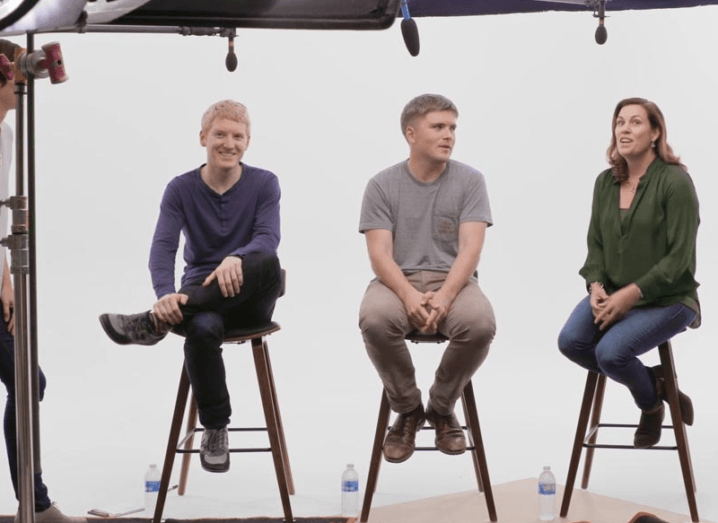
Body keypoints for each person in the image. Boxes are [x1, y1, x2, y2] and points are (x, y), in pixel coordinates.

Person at [99, 100, 282, 473]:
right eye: (220, 134)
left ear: (248, 142)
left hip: (251, 294)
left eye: (237, 136)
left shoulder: (265, 182)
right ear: (203, 137)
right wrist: (165, 294)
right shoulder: (180, 189)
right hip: (202, 296)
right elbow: (162, 248)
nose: (228, 143)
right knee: (201, 329)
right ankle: (215, 429)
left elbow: (267, 238)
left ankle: (152, 324)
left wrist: (238, 258)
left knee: (267, 262)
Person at [358, 94, 496, 463]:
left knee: (480, 323)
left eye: (452, 127)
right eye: (438, 127)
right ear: (411, 133)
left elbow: (471, 249)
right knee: (375, 319)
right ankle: (406, 409)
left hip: (453, 280)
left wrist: (446, 296)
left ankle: (440, 407)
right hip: (395, 280)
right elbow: (379, 255)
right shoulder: (381, 185)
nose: (448, 135)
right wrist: (408, 296)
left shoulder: (470, 180)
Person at [558, 97, 700, 449]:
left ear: (655, 132)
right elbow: (596, 245)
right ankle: (655, 383)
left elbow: (679, 258)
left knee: (610, 354)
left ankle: (649, 408)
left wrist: (630, 294)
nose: (624, 128)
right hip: (613, 291)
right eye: (620, 122)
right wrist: (595, 285)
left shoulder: (675, 182)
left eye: (635, 122)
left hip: (669, 299)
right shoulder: (605, 183)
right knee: (571, 342)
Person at [0, 40, 86, 523]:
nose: (28, 87)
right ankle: (33, 501)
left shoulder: (8, 134)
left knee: (28, 380)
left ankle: (32, 500)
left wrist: (8, 279)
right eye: (22, 77)